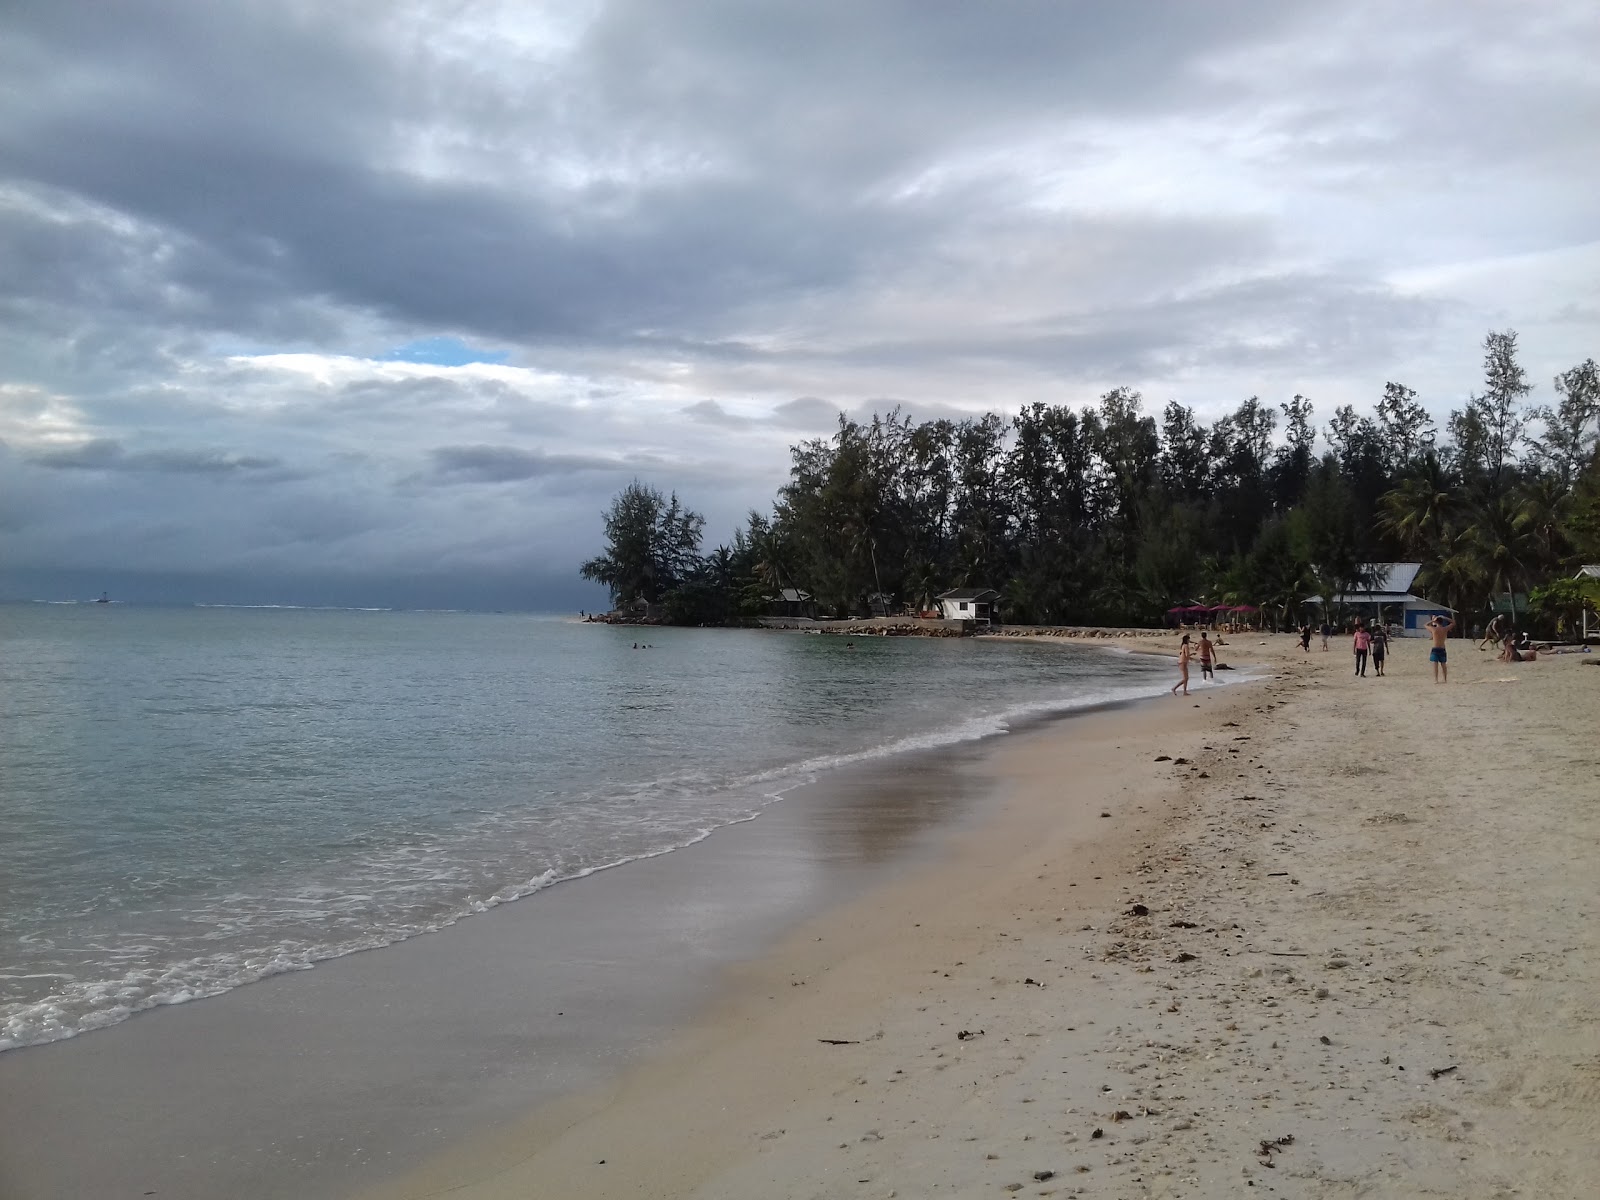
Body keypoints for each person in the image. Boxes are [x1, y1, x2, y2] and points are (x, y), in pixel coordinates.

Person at [1426, 614, 1455, 683]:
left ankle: (1436, 680)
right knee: (1443, 664)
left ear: (1436, 622)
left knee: (1435, 665)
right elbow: (1453, 622)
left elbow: (1426, 625)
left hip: (1435, 648)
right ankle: (1445, 679)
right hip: (1442, 648)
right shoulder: (1445, 629)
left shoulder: (1434, 629)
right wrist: (1445, 617)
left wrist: (1433, 620)